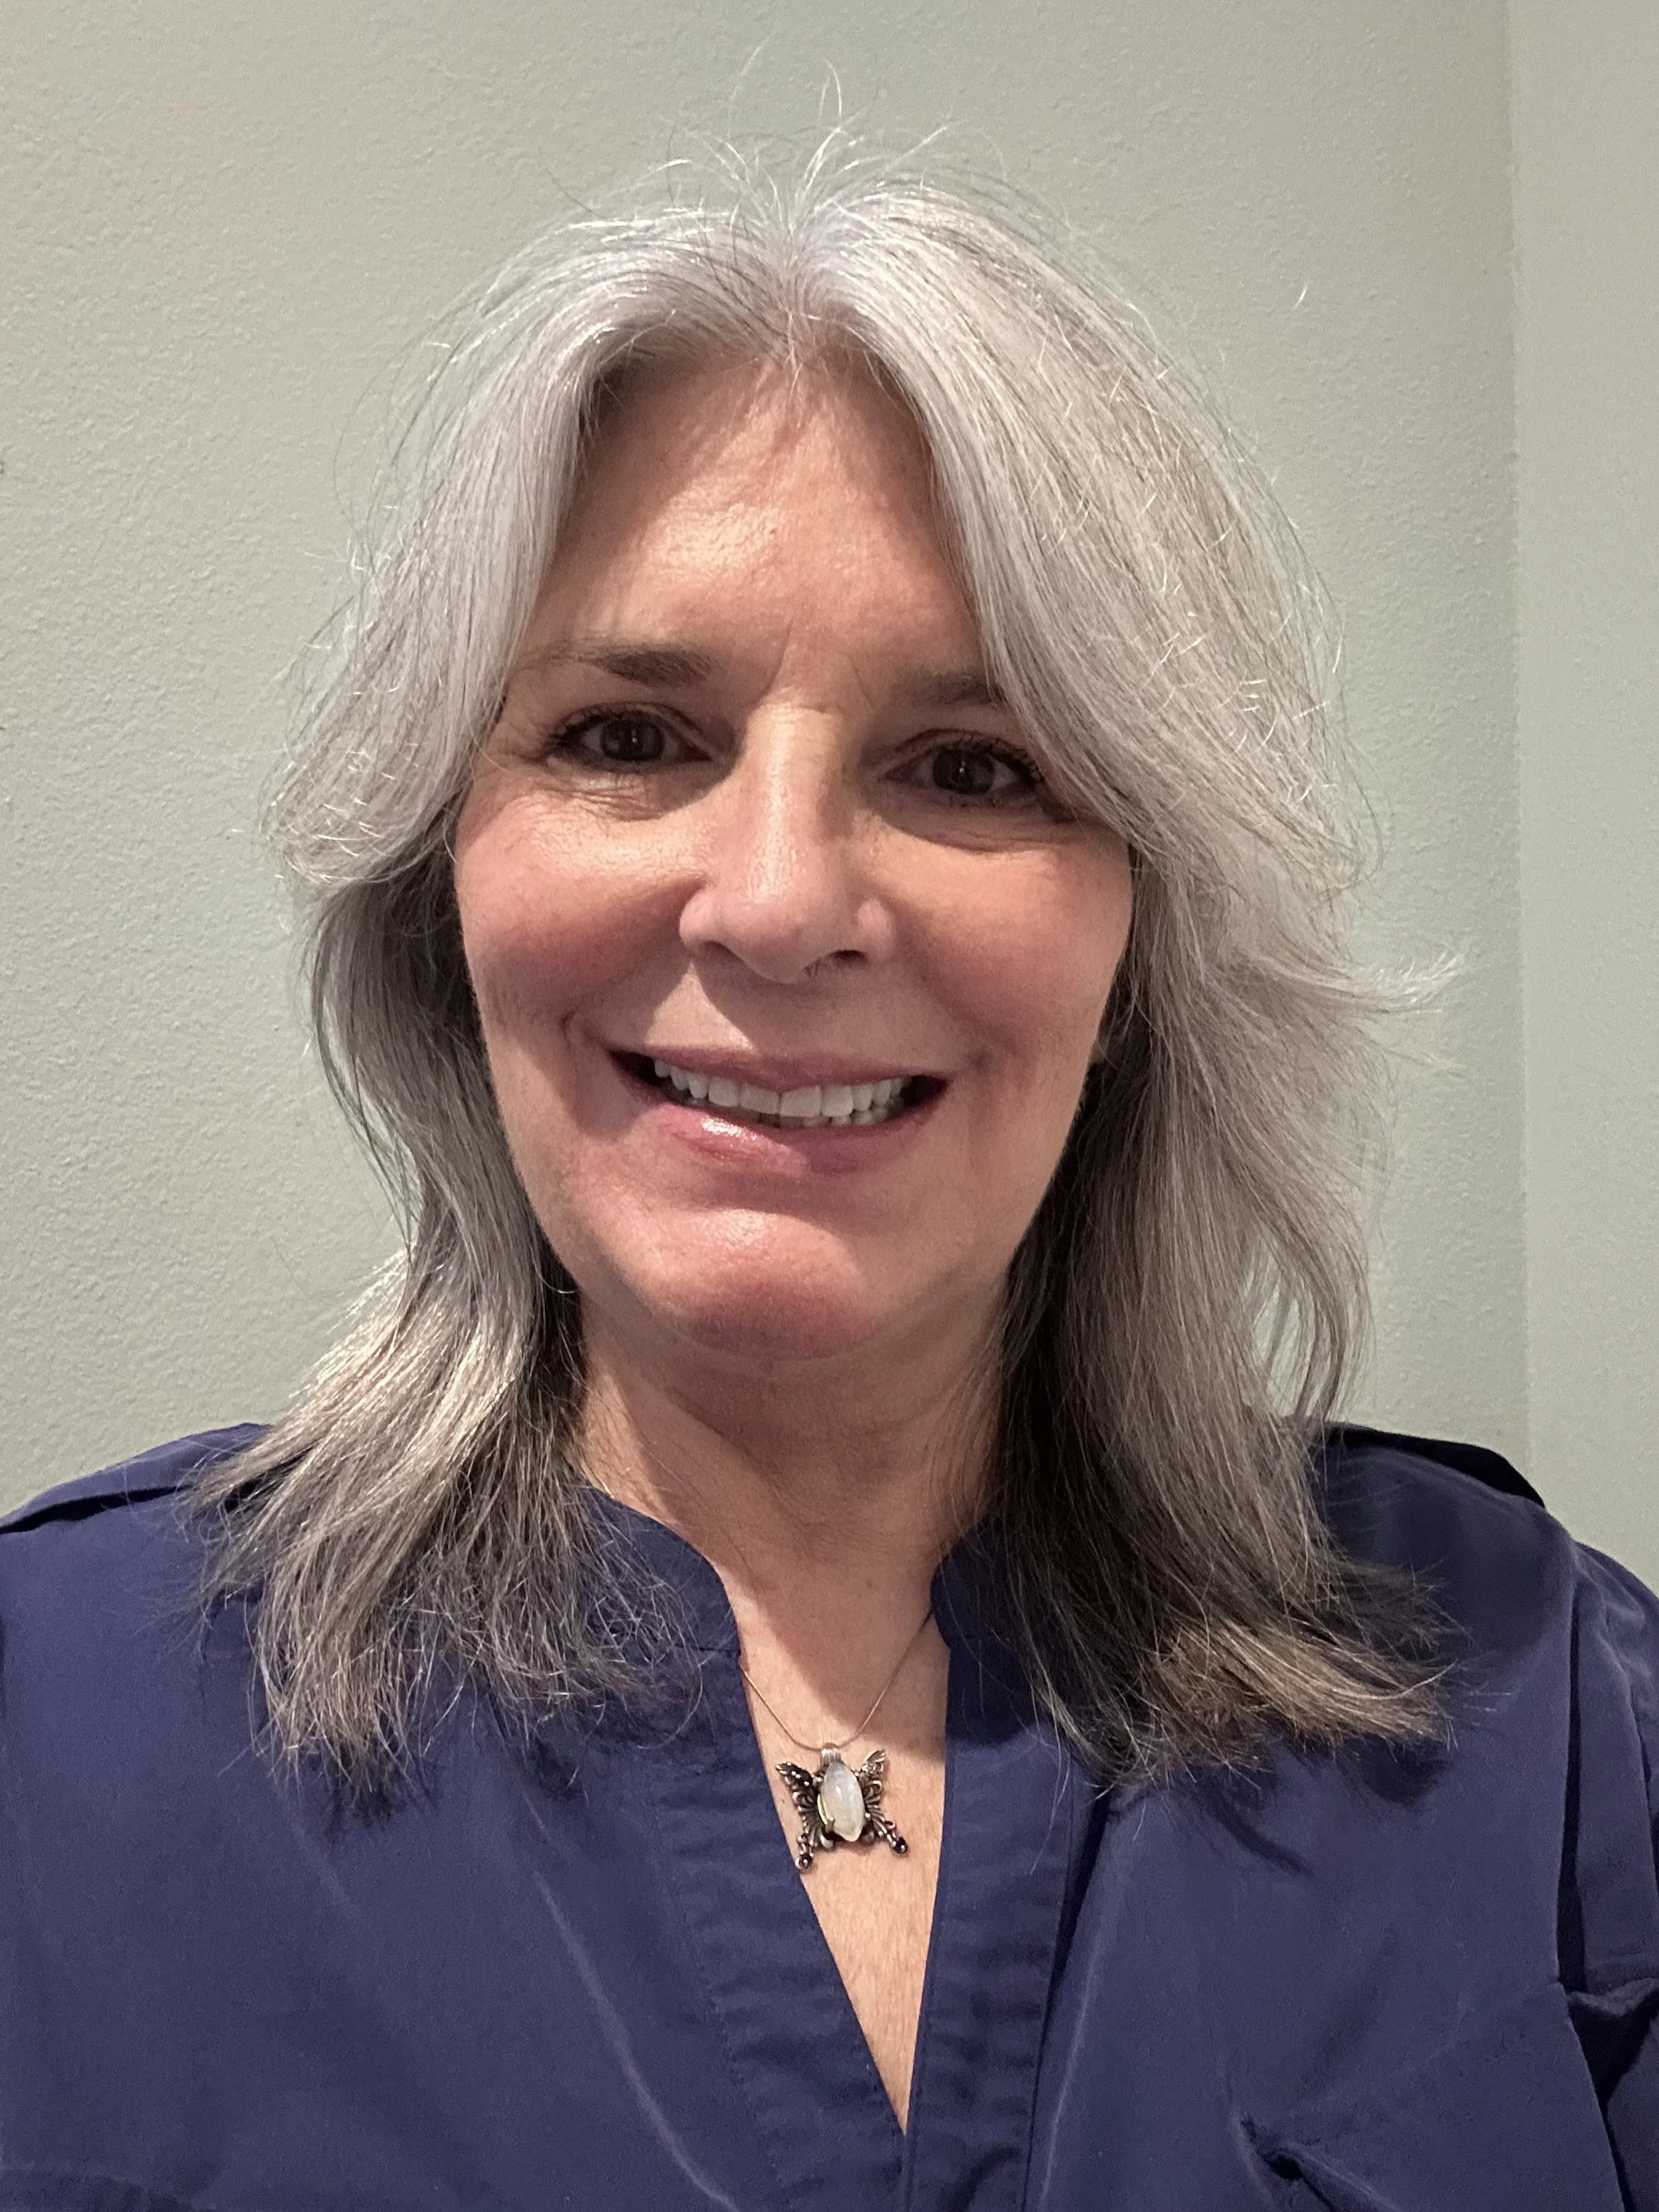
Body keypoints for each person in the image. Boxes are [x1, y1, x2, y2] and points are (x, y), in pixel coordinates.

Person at [2, 146, 1655, 2212]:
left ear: (1136, 945)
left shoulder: (1542, 1714)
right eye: (626, 736)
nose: (779, 902)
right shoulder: (48, 1737)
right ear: (444, 889)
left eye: (973, 765)